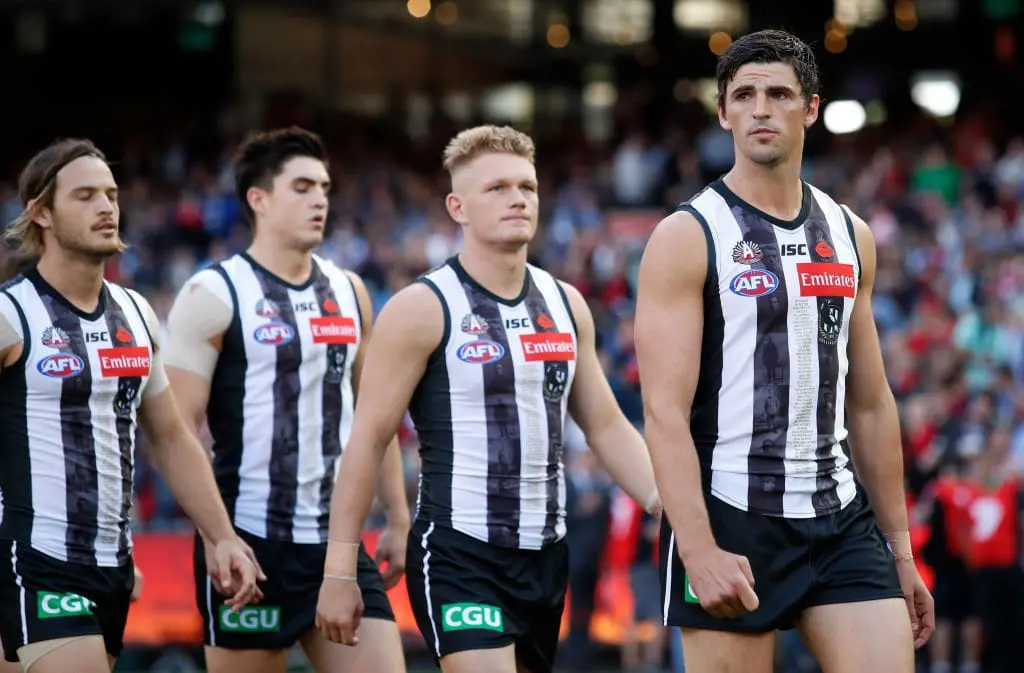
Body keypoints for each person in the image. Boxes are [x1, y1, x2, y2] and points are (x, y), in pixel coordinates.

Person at [634, 29, 935, 673]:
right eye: (744, 95)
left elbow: (871, 403)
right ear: (723, 113)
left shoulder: (850, 233)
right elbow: (662, 412)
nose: (761, 109)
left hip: (839, 516)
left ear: (811, 108)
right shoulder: (687, 234)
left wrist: (901, 551)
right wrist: (698, 547)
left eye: (778, 94)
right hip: (731, 517)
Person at [313, 124, 662, 673]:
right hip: (460, 551)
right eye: (497, 188)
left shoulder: (565, 303)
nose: (517, 198)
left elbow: (605, 424)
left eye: (527, 186)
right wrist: (339, 569)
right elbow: (368, 437)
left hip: (546, 555)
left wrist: (667, 503)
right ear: (458, 208)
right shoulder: (421, 307)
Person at [0, 139, 261, 673]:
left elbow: (171, 437)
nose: (106, 207)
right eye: (86, 196)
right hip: (37, 561)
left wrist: (222, 536)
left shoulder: (135, 312)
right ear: (42, 213)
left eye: (112, 195)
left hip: (113, 568)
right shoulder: (11, 315)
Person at [163, 127, 408, 673]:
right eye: (301, 187)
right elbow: (175, 432)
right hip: (251, 543)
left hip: (337, 545)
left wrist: (397, 514)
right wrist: (217, 537)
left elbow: (375, 415)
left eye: (324, 187)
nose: (319, 199)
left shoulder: (350, 291)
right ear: (259, 198)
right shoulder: (213, 294)